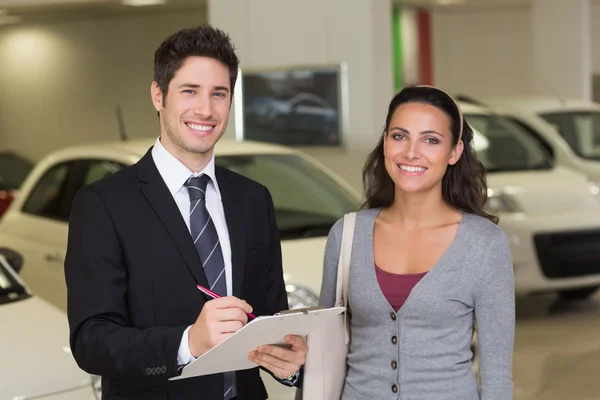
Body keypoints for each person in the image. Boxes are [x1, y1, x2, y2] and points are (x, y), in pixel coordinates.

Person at [64, 25, 307, 400]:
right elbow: (91, 341)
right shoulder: (103, 204)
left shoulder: (254, 199)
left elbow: (270, 319)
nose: (206, 110)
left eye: (219, 94)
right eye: (190, 91)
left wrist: (289, 363)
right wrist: (188, 342)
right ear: (158, 95)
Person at [318, 86, 515, 399]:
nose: (411, 152)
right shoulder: (347, 235)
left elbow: (496, 375)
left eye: (431, 140)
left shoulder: (484, 244)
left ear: (455, 152)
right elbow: (322, 346)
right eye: (399, 136)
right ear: (385, 142)